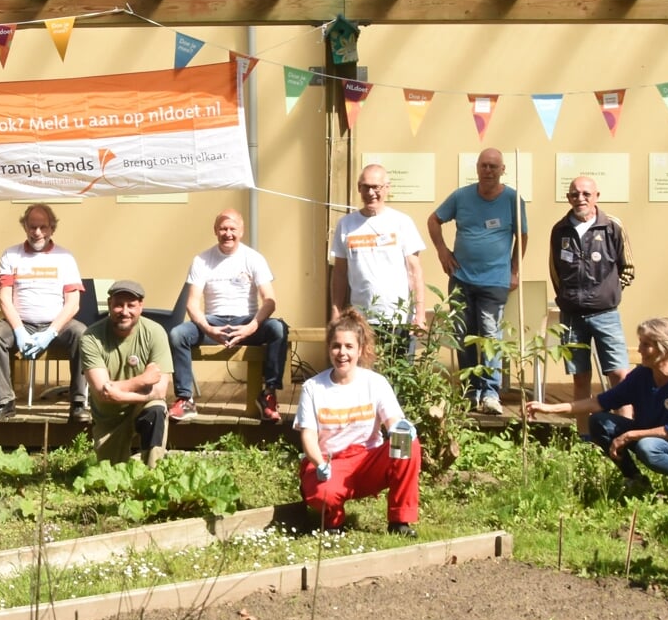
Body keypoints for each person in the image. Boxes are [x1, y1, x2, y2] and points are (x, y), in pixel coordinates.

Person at [526, 316, 668, 501]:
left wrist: (628, 436)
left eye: (646, 344)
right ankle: (636, 480)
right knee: (599, 421)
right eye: (640, 343)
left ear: (664, 348)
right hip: (655, 440)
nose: (640, 350)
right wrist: (549, 408)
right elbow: (599, 402)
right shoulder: (642, 375)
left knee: (647, 446)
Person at [295, 309, 419, 536]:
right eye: (336, 346)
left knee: (408, 444)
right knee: (324, 494)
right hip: (330, 464)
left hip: (368, 462)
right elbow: (308, 436)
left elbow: (393, 418)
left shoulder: (375, 382)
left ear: (360, 350)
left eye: (349, 346)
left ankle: (399, 521)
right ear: (329, 349)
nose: (342, 353)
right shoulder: (313, 388)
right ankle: (334, 521)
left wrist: (399, 428)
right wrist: (319, 463)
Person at [427, 148, 527, 415]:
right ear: (477, 168)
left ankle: (490, 393)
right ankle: (470, 392)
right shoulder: (461, 196)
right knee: (464, 335)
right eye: (484, 165)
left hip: (495, 281)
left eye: (493, 166)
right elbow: (434, 220)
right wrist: (442, 251)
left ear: (502, 169)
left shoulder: (512, 199)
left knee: (490, 335)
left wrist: (514, 270)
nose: (488, 170)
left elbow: (522, 236)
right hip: (461, 278)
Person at [168, 209, 290, 424]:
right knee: (178, 334)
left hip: (247, 320)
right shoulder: (201, 260)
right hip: (213, 322)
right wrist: (208, 328)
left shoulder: (253, 258)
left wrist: (252, 326)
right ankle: (185, 398)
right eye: (223, 228)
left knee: (278, 329)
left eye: (233, 229)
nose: (228, 233)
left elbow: (270, 300)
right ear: (215, 231)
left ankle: (269, 394)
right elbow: (192, 303)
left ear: (241, 231)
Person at [0, 203, 89, 423]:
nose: (37, 232)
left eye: (43, 227)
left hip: (57, 325)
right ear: (25, 227)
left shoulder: (65, 257)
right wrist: (19, 331)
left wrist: (51, 332)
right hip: (21, 323)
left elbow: (73, 303)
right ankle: (5, 402)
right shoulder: (11, 254)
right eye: (32, 227)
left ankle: (78, 403)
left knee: (82, 334)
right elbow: (4, 298)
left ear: (52, 228)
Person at [549, 175, 632, 423]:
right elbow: (555, 271)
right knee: (580, 376)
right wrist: (567, 296)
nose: (580, 198)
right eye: (575, 194)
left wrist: (608, 293)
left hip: (606, 313)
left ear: (597, 196)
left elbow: (627, 267)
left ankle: (626, 429)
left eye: (586, 193)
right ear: (568, 198)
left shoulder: (612, 226)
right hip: (572, 316)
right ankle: (584, 435)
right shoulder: (559, 229)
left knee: (619, 374)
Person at [329, 163, 426, 354]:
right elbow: (339, 273)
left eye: (376, 187)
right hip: (360, 319)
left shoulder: (401, 222)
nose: (371, 192)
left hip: (398, 317)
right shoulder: (346, 224)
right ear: (359, 188)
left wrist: (420, 314)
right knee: (364, 375)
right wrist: (336, 312)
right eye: (366, 187)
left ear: (387, 188)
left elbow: (414, 271)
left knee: (399, 376)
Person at [79, 280, 173, 463]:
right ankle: (130, 458)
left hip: (142, 408)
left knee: (156, 409)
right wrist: (143, 380)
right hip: (109, 417)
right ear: (109, 305)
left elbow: (161, 391)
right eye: (118, 305)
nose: (124, 311)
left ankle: (152, 469)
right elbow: (103, 394)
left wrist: (118, 392)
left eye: (131, 305)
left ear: (141, 307)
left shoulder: (155, 332)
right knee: (111, 474)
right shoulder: (91, 337)